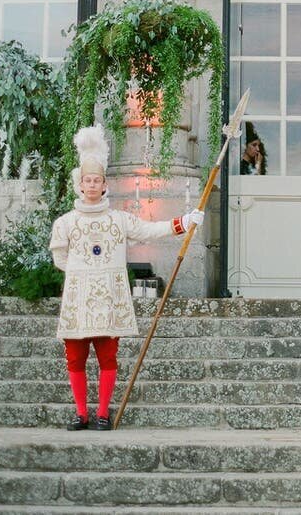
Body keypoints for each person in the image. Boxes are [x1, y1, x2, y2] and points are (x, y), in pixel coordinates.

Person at [49, 124, 203, 431]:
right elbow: (59, 256)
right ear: (80, 185)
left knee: (108, 358)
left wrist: (183, 222)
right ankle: (81, 413)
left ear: (104, 185)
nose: (91, 185)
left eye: (96, 180)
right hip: (79, 301)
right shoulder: (65, 222)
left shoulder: (119, 220)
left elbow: (149, 230)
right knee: (75, 360)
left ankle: (103, 413)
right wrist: (83, 274)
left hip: (109, 299)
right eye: (87, 181)